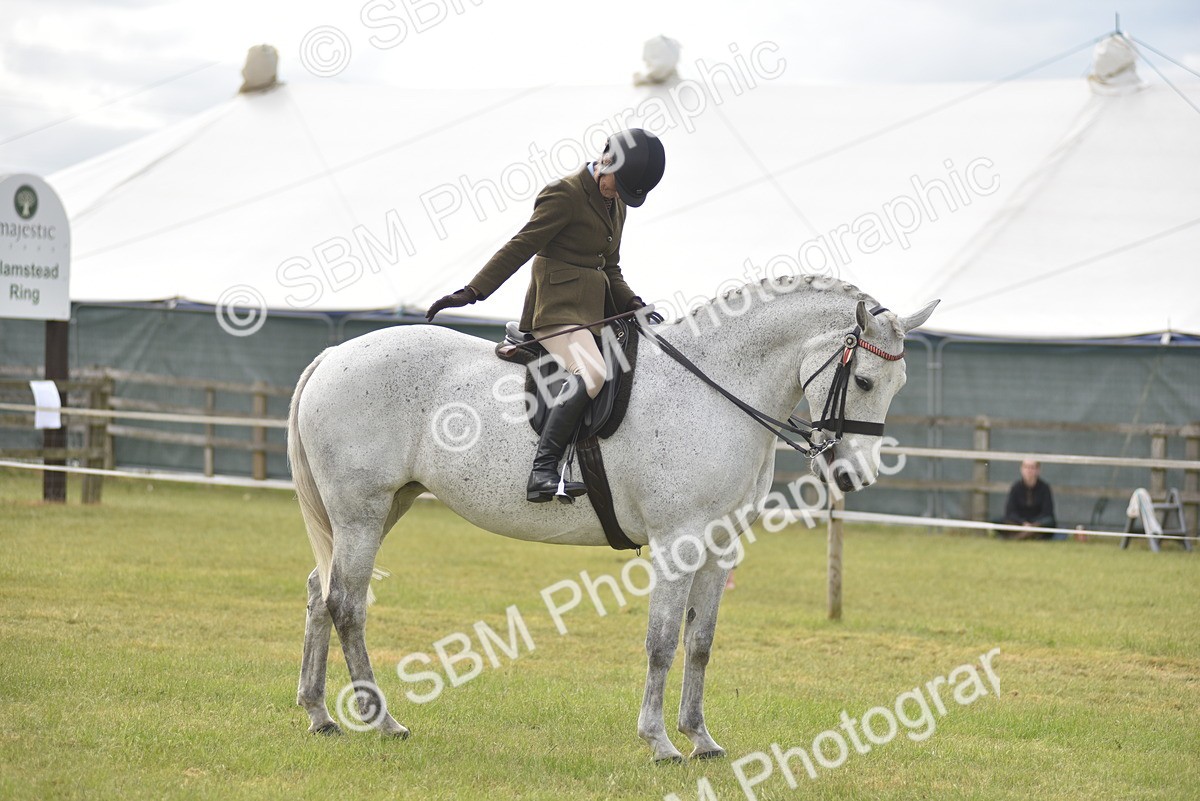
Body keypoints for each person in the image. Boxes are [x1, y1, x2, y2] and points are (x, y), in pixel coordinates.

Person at [425, 129, 667, 503]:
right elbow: (522, 245)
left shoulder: (615, 202)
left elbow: (609, 266)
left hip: (594, 311)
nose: (619, 196)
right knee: (593, 373)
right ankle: (543, 469)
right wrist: (473, 291)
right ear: (607, 161)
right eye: (620, 186)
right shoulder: (566, 193)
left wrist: (633, 303)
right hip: (556, 308)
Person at [999, 459, 1057, 540]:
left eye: (1032, 468)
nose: (1029, 471)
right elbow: (1010, 511)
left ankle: (1018, 537)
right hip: (1019, 523)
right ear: (1021, 469)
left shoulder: (1044, 488)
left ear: (1038, 470)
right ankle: (1030, 535)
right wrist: (1023, 523)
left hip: (1037, 523)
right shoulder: (1016, 487)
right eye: (1026, 467)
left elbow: (1047, 512)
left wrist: (1033, 524)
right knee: (998, 521)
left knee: (1049, 522)